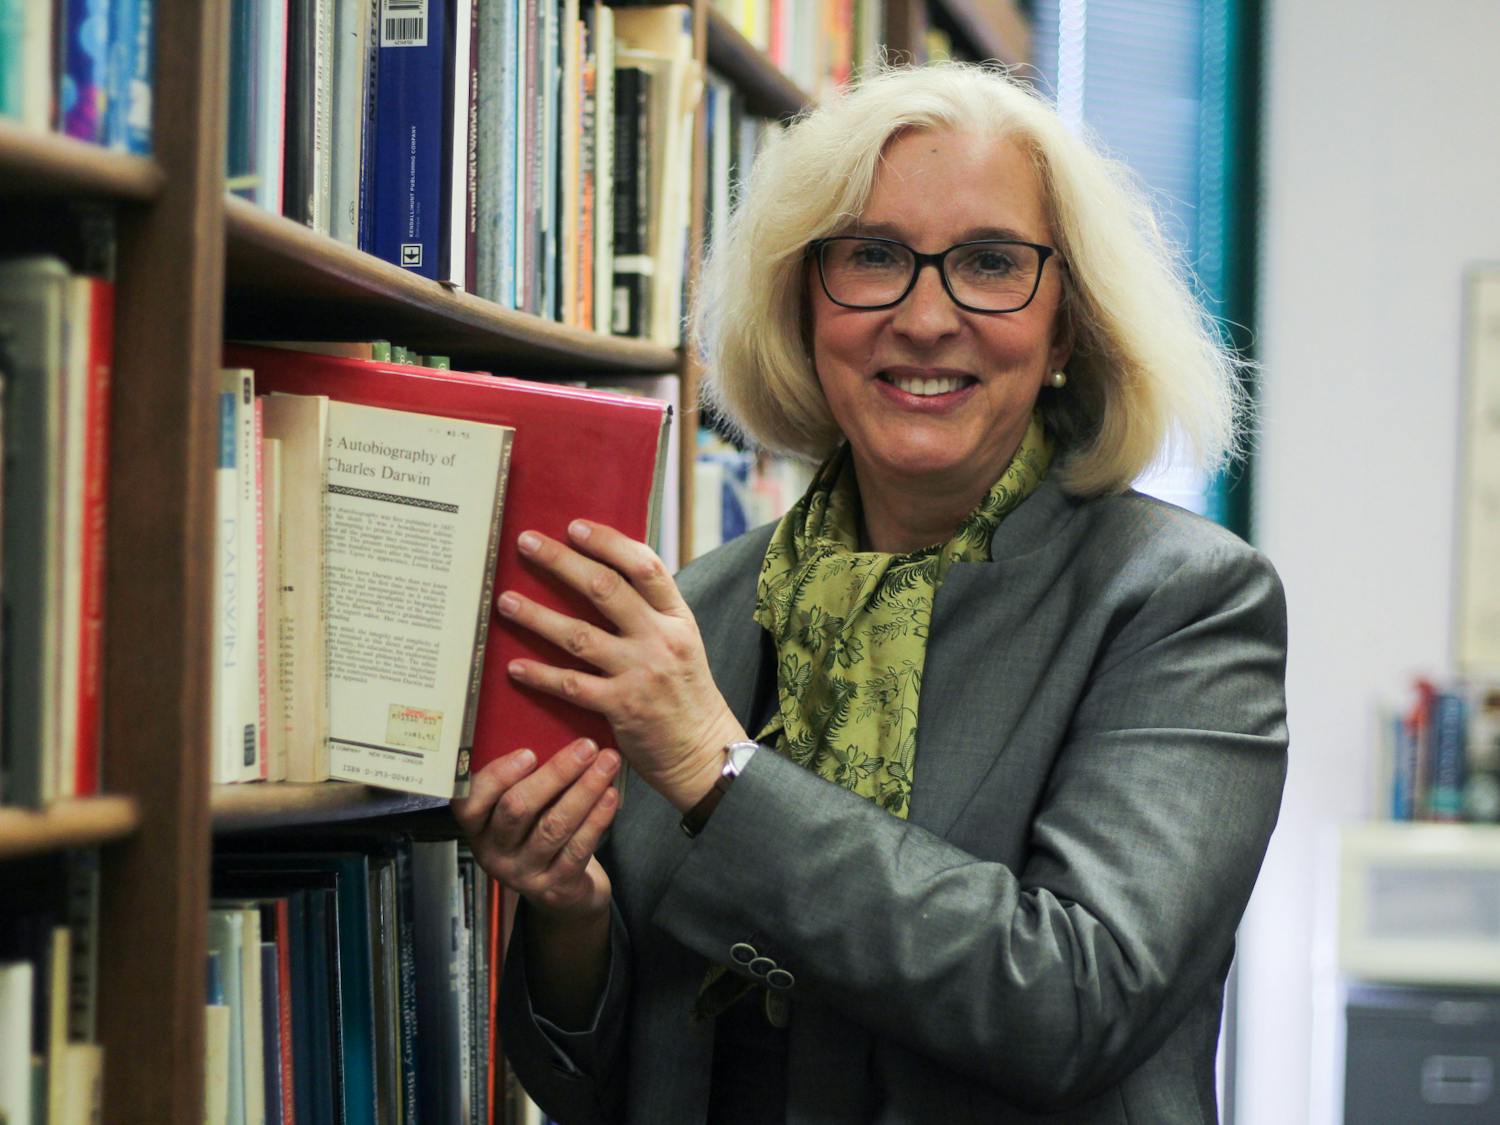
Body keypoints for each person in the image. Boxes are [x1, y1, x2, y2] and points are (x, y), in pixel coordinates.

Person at [453, 62, 1288, 1124]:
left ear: (1067, 327)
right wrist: (567, 914)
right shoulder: (695, 616)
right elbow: (597, 1081)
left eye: (990, 263)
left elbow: (1077, 1004)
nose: (925, 316)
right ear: (805, 305)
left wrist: (722, 771)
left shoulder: (1186, 603)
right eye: (873, 257)